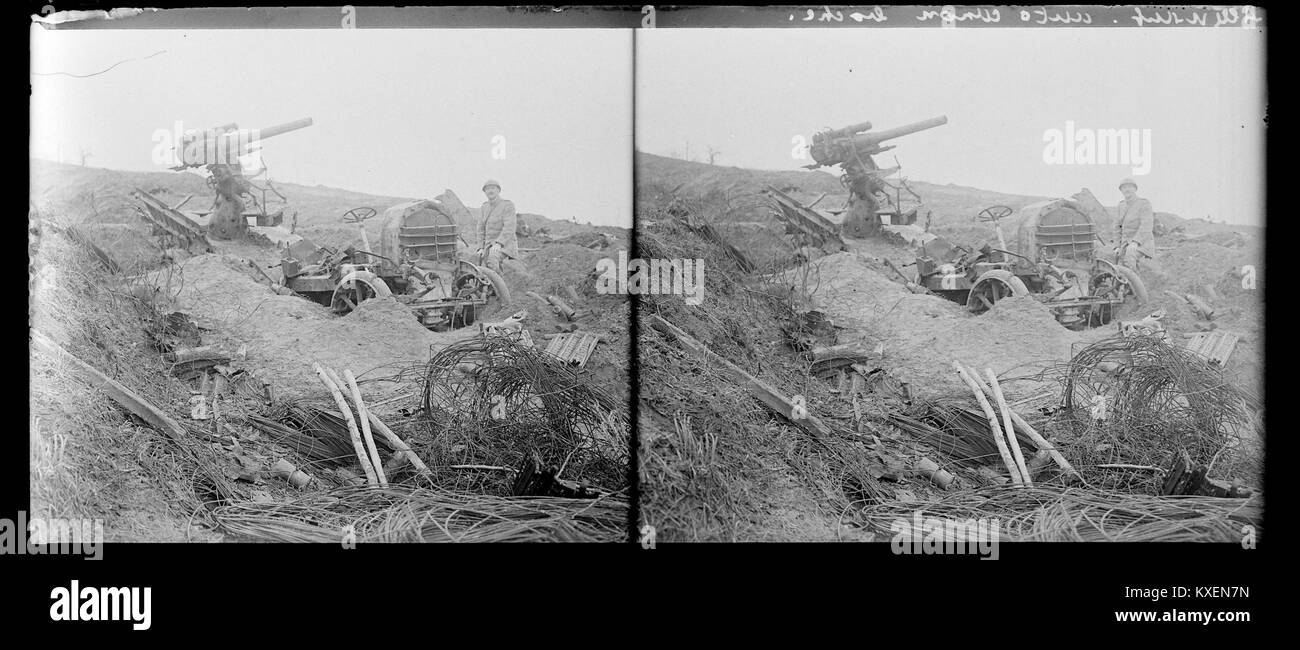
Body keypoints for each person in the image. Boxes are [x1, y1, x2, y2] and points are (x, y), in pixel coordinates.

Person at [1114, 178, 1164, 279]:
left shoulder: (1144, 204)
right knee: (1117, 265)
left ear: (1135, 189)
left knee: (1129, 256)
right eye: (1124, 188)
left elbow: (1146, 226)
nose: (1127, 190)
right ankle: (1124, 287)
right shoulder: (1121, 205)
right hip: (1125, 244)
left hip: (1143, 242)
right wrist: (1117, 246)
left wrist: (1135, 242)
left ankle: (1137, 287)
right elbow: (1117, 227)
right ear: (1121, 190)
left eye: (1129, 187)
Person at [476, 179, 518, 272]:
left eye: (493, 188)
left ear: (498, 190)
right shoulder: (484, 207)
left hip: (505, 244)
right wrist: (480, 247)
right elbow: (480, 229)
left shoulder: (507, 205)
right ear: (485, 192)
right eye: (487, 189)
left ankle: (497, 286)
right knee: (480, 265)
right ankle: (496, 284)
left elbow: (509, 227)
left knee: (492, 259)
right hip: (488, 245)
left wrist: (499, 243)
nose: (490, 191)